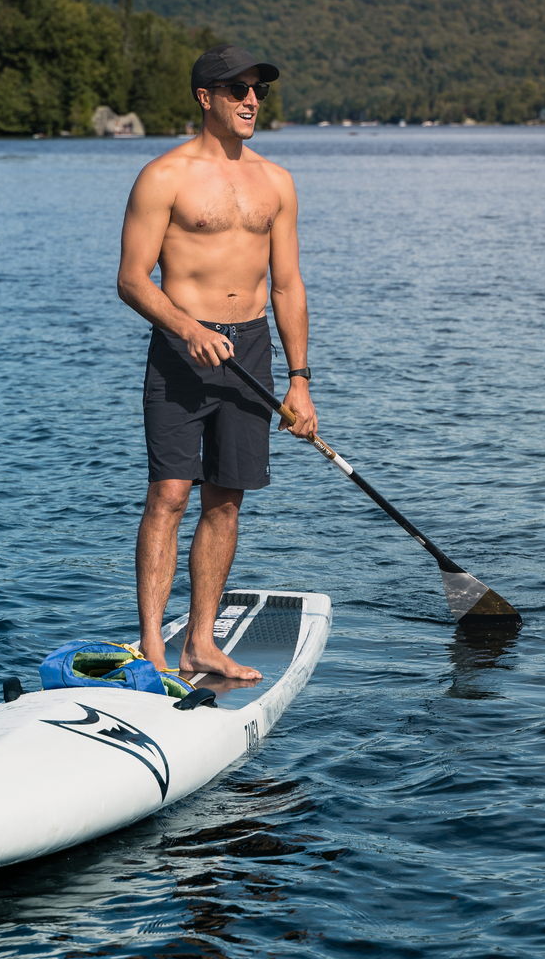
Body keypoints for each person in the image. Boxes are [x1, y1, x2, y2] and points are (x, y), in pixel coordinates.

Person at [117, 44, 317, 680]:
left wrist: (302, 381)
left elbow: (287, 285)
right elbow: (131, 279)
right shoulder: (163, 176)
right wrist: (185, 326)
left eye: (257, 89)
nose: (251, 99)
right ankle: (152, 648)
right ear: (206, 99)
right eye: (237, 90)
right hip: (181, 349)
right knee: (170, 494)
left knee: (226, 500)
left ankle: (200, 642)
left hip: (251, 349)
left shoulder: (277, 182)